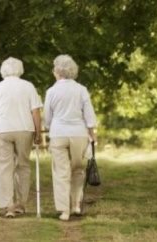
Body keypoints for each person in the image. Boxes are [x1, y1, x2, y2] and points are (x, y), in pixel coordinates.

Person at [0, 57, 42, 218]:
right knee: (23, 165)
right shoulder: (28, 86)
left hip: (2, 130)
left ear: (3, 70)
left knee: (3, 168)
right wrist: (38, 133)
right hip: (24, 129)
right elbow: (36, 112)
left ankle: (8, 206)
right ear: (20, 69)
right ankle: (21, 204)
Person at [44, 54, 97, 221]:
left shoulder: (51, 91)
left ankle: (64, 210)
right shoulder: (81, 90)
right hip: (79, 133)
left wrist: (49, 127)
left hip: (58, 133)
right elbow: (88, 114)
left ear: (58, 71)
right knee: (78, 169)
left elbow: (47, 117)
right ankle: (76, 204)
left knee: (61, 172)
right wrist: (92, 132)